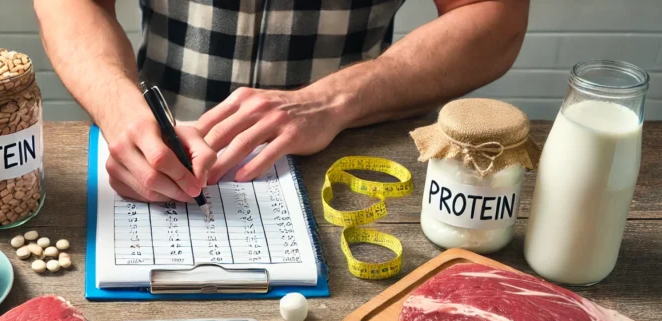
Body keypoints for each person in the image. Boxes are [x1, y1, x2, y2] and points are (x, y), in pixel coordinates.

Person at [35, 0, 529, 203]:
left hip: (353, 152)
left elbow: (496, 18)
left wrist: (333, 100)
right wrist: (119, 108)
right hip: (158, 143)